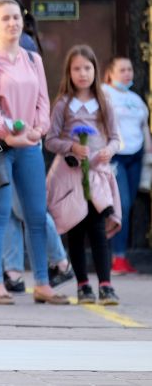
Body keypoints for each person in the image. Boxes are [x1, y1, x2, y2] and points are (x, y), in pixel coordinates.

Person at [0, 0, 67, 305]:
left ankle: (42, 283)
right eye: (6, 18)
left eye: (16, 18)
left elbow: (43, 101)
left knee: (37, 215)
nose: (12, 23)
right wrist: (9, 135)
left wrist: (37, 130)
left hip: (29, 145)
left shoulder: (33, 59)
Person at [45, 45, 121, 305]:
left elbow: (115, 138)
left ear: (95, 70)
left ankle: (106, 285)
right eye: (76, 68)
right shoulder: (63, 105)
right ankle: (83, 285)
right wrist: (71, 147)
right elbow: (50, 139)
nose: (82, 73)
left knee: (98, 230)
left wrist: (107, 152)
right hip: (70, 178)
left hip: (97, 176)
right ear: (69, 72)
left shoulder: (104, 103)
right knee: (75, 231)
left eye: (87, 68)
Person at [103, 56, 150, 275]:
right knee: (120, 204)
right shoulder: (104, 93)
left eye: (130, 69)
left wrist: (148, 152)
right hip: (116, 156)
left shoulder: (135, 98)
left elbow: (143, 126)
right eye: (122, 70)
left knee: (128, 205)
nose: (127, 74)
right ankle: (115, 258)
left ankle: (121, 257)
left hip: (136, 155)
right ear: (110, 73)